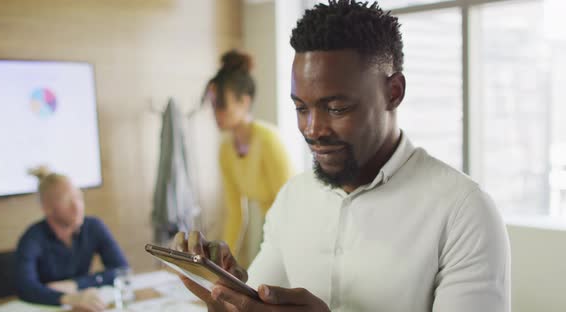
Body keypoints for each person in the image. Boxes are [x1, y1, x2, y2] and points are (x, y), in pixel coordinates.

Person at [171, 1, 511, 311]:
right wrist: (224, 295)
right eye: (301, 108)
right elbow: (257, 298)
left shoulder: (464, 213)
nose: (313, 129)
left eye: (336, 108)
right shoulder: (293, 198)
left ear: (394, 92)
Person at [204, 50, 294, 263]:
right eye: (213, 106)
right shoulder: (225, 150)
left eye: (221, 105)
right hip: (270, 223)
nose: (216, 114)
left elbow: (289, 206)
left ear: (244, 102)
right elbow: (236, 214)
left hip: (292, 224)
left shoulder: (268, 140)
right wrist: (222, 261)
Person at [15, 167, 128, 311]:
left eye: (79, 197)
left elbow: (122, 270)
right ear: (46, 207)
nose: (77, 206)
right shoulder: (32, 238)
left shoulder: (94, 227)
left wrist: (76, 285)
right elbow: (25, 287)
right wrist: (66, 297)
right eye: (67, 200)